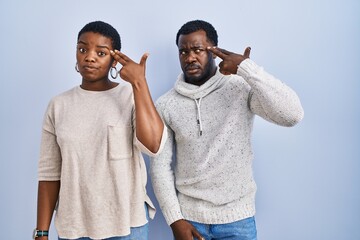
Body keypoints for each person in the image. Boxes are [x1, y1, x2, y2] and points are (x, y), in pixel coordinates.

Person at [150, 20, 304, 240]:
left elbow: (292, 115)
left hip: (238, 221)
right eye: (183, 52)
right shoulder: (166, 104)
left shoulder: (240, 88)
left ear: (214, 51)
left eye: (197, 50)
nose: (190, 57)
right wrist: (175, 219)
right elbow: (160, 166)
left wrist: (246, 69)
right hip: (190, 220)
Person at [34, 21, 167, 240]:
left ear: (115, 59)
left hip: (126, 225)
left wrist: (139, 83)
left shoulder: (129, 97)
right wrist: (41, 232)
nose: (90, 57)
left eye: (101, 52)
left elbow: (153, 146)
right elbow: (49, 173)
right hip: (74, 227)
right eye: (83, 49)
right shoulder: (58, 105)